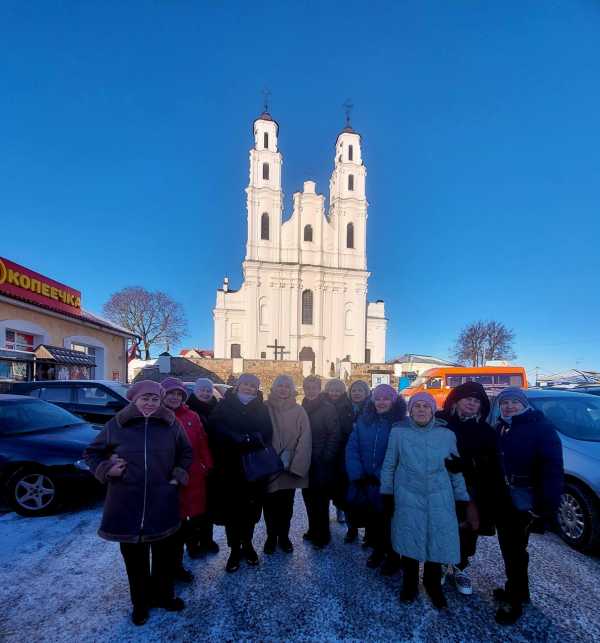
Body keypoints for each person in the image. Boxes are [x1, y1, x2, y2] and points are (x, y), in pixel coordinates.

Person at [83, 380, 193, 626]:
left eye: (155, 399)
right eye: (145, 399)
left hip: (162, 500)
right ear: (134, 399)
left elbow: (186, 452)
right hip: (126, 503)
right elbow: (92, 452)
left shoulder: (170, 424)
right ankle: (140, 604)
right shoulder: (117, 424)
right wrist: (106, 469)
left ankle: (165, 596)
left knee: (164, 557)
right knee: (135, 561)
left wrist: (178, 475)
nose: (150, 404)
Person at [380, 392, 471, 609]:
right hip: (407, 496)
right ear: (410, 410)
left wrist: (461, 499)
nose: (421, 410)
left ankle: (433, 585)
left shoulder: (447, 435)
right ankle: (409, 584)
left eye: (425, 406)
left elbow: (455, 470)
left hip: (440, 498)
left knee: (437, 542)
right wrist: (387, 493)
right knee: (409, 540)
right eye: (416, 406)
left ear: (432, 410)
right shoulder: (399, 433)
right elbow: (390, 464)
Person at [493, 387, 564, 625]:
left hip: (525, 500)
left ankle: (514, 600)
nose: (509, 406)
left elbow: (552, 470)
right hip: (505, 499)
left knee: (515, 551)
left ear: (524, 404)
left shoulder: (541, 428)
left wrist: (544, 507)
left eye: (514, 402)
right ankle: (519, 591)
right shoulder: (502, 426)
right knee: (510, 548)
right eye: (505, 402)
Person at [435, 382, 504, 595]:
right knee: (439, 526)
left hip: (471, 489)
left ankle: (460, 566)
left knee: (466, 529)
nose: (472, 404)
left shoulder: (486, 431)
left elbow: (493, 462)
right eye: (468, 399)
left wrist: (469, 464)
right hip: (439, 485)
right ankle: (437, 564)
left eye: (476, 401)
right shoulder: (440, 421)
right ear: (457, 400)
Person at [209, 373, 273, 572]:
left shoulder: (261, 407)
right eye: (245, 384)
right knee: (232, 511)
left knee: (251, 510)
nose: (248, 388)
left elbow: (267, 432)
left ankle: (248, 544)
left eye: (252, 385)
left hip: (253, 467)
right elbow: (214, 428)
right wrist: (232, 438)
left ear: (257, 388)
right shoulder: (224, 404)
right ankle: (234, 550)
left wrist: (251, 438)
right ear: (237, 386)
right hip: (230, 466)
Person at [346, 384, 406, 575]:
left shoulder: (400, 423)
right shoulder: (364, 421)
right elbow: (352, 448)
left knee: (391, 520)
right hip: (366, 479)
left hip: (389, 482)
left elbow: (400, 454)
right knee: (374, 519)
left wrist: (379, 474)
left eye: (386, 398)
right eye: (378, 398)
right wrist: (358, 474)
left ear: (393, 401)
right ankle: (378, 550)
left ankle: (393, 555)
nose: (381, 402)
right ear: (373, 400)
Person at [161, 377, 213, 582]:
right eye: (170, 393)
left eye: (178, 394)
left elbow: (202, 442)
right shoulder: (157, 415)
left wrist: (206, 464)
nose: (174, 398)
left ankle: (185, 557)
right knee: (173, 523)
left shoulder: (191, 415)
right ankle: (171, 566)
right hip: (166, 478)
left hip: (192, 475)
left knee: (190, 518)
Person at [263, 375, 312, 554]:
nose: (283, 389)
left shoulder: (299, 411)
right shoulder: (264, 408)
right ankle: (270, 536)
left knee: (286, 506)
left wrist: (296, 465)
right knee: (268, 506)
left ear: (292, 390)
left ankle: (283, 536)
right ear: (274, 388)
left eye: (287, 386)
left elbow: (305, 439)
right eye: (280, 386)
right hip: (268, 466)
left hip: (288, 468)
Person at [301, 375, 342, 549]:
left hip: (321, 461)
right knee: (308, 497)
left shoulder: (327, 408)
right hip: (305, 460)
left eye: (314, 388)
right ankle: (312, 529)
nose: (311, 391)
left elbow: (334, 434)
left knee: (321, 500)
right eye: (308, 388)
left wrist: (326, 457)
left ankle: (323, 534)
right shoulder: (302, 406)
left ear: (320, 389)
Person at [186, 377, 221, 555]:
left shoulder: (217, 407)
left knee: (208, 504)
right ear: (195, 391)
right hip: (194, 465)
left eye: (208, 390)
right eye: (202, 390)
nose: (205, 393)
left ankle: (207, 540)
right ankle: (192, 543)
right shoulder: (188, 409)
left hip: (213, 463)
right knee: (194, 506)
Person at [323, 378, 356, 537]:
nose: (334, 393)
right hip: (326, 448)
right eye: (331, 390)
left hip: (342, 449)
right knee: (327, 482)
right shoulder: (321, 403)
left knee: (341, 483)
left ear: (343, 392)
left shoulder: (347, 405)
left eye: (337, 390)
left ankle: (340, 509)